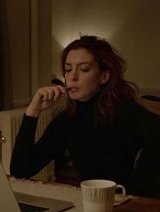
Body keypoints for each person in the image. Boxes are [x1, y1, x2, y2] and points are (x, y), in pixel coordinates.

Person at [10, 35, 160, 198]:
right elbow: (20, 170)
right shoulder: (67, 119)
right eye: (68, 69)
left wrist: (132, 194)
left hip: (126, 207)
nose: (72, 77)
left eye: (84, 69)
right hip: (90, 204)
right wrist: (33, 112)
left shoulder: (128, 111)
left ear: (104, 76)